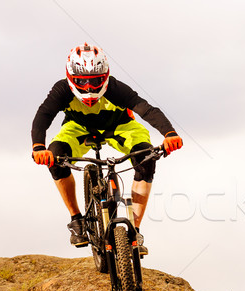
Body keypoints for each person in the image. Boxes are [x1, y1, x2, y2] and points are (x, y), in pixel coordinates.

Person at [31, 43, 182, 255]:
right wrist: (38, 147)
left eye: (95, 82)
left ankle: (134, 232)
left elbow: (146, 110)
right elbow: (44, 115)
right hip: (78, 128)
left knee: (147, 158)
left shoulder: (115, 88)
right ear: (71, 77)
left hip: (119, 126)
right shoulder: (62, 89)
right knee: (55, 158)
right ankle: (77, 220)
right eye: (82, 82)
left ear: (105, 76)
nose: (89, 88)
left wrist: (170, 134)